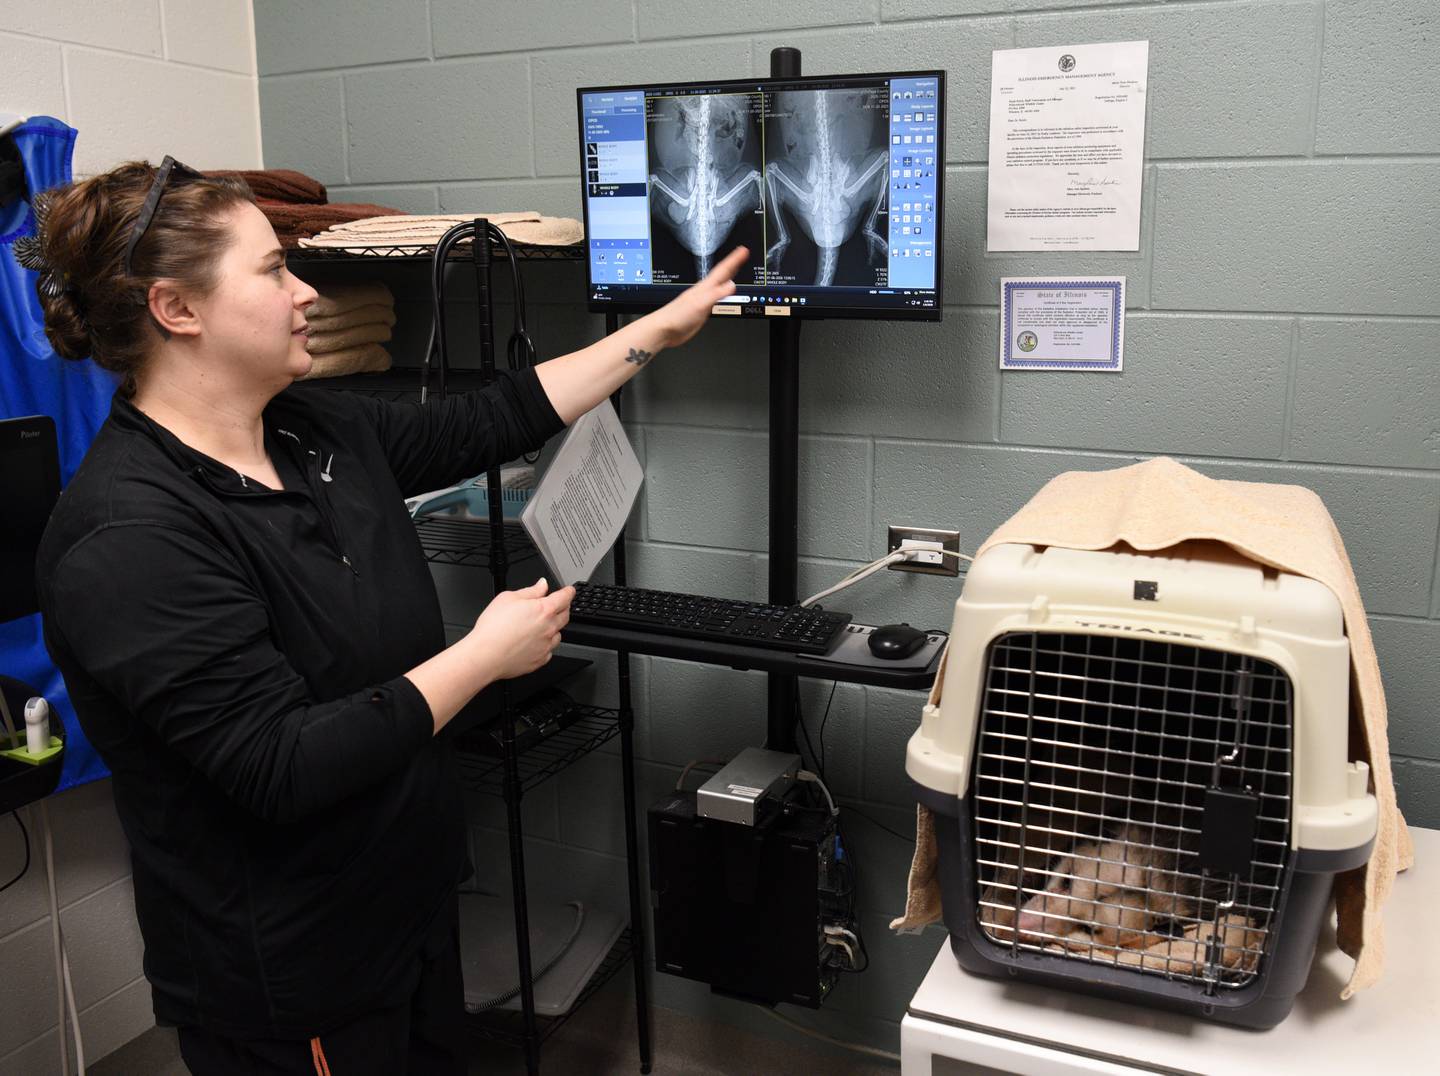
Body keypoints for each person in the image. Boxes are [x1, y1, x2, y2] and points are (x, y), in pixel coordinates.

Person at [26, 157, 746, 1075]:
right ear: (178, 309)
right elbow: (281, 764)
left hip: (405, 909)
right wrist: (484, 656)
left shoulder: (311, 429)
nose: (304, 291)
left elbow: (493, 417)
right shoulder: (127, 536)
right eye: (272, 270)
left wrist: (658, 331)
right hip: (295, 972)